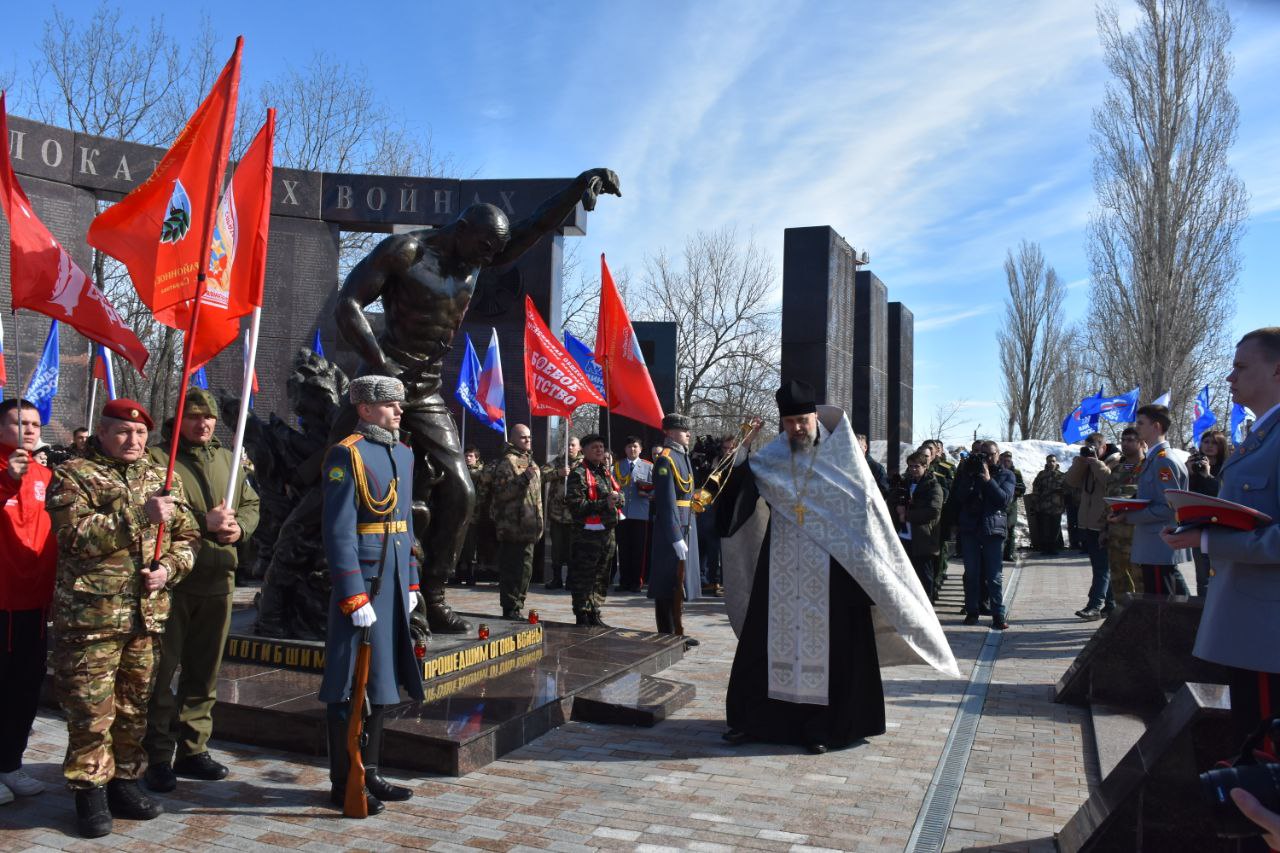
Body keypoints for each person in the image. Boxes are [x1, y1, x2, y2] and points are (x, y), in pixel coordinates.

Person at [331, 170, 620, 635]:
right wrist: (380, 365)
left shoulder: (481, 254)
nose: (491, 259)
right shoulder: (408, 251)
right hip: (385, 381)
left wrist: (578, 190)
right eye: (485, 247)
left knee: (462, 491)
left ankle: (435, 595)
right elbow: (347, 304)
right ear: (462, 229)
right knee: (330, 476)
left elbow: (536, 226)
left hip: (425, 391)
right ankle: (317, 578)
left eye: (495, 250)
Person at [716, 380, 957, 753]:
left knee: (834, 649)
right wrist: (743, 454)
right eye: (790, 422)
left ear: (815, 417)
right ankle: (757, 720)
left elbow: (866, 513)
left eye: (803, 420)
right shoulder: (774, 457)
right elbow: (738, 496)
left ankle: (824, 727)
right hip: (781, 568)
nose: (797, 428)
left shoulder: (843, 459)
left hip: (834, 571)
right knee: (765, 643)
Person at [46, 399, 200, 839]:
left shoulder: (160, 476)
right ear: (102, 432)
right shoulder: (74, 474)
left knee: (134, 707)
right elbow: (73, 538)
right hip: (91, 619)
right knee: (91, 711)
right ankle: (89, 791)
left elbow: (187, 537)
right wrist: (140, 515)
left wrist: (169, 568)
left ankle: (124, 783)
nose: (132, 441)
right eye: (121, 433)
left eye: (139, 434)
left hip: (145, 617)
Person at [1164, 328, 1280, 753]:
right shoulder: (1261, 436)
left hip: (1269, 635)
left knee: (1265, 761)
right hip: (1250, 626)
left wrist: (1209, 541)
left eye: (1241, 367)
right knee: (1249, 748)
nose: (1230, 378)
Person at [142, 389, 260, 792]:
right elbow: (158, 506)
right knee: (161, 674)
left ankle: (193, 749)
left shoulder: (228, 461)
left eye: (208, 418)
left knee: (204, 673)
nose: (203, 424)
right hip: (174, 583)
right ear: (178, 420)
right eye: (193, 417)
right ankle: (157, 755)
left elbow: (251, 503)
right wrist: (202, 520)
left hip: (219, 579)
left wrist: (239, 527)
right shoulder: (159, 460)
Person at [319, 376, 423, 816]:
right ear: (364, 409)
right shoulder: (348, 454)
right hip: (364, 584)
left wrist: (413, 580)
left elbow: (405, 526)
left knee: (380, 683)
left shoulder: (403, 453)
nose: (398, 410)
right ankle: (344, 780)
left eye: (399, 404)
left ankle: (372, 769)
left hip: (395, 579)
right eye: (388, 404)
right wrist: (352, 593)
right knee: (348, 685)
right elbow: (338, 529)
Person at [0, 399, 57, 804]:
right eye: (19, 422)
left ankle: (10, 765)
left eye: (35, 423)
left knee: (24, 689)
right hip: (0, 601)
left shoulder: (47, 475)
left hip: (35, 606)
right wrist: (6, 479)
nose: (30, 429)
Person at [1107, 404, 1190, 595]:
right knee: (1162, 604)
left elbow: (1168, 508)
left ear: (1157, 427)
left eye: (1141, 423)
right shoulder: (1154, 459)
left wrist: (1128, 517)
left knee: (1163, 608)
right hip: (1153, 545)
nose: (1137, 428)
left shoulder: (1163, 461)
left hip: (1159, 545)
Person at [648, 413, 702, 645]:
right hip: (672, 527)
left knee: (679, 583)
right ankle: (666, 633)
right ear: (669, 432)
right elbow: (666, 501)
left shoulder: (682, 456)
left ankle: (677, 631)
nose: (688, 433)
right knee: (666, 581)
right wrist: (675, 536)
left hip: (686, 521)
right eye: (682, 430)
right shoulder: (665, 459)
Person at [953, 440, 1016, 629]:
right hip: (971, 529)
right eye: (984, 454)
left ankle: (999, 614)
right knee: (972, 573)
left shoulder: (1007, 475)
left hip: (993, 530)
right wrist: (971, 477)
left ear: (998, 454)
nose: (988, 458)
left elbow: (1003, 500)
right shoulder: (969, 472)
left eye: (991, 454)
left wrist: (988, 481)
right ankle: (972, 612)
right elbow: (959, 497)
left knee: (994, 575)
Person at [563, 434, 623, 627]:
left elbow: (617, 494)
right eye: (595, 447)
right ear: (584, 450)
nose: (599, 450)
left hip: (607, 533)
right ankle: (582, 613)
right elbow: (575, 505)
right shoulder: (578, 473)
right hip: (587, 535)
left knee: (602, 575)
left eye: (601, 447)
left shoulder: (605, 472)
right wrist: (603, 503)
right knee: (584, 575)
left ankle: (595, 611)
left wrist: (617, 499)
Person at [489, 424, 544, 620]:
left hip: (529, 526)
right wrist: (522, 480)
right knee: (513, 569)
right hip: (513, 527)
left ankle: (518, 604)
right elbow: (501, 494)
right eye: (523, 438)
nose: (528, 440)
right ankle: (510, 607)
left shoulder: (529, 461)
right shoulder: (508, 462)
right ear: (512, 439)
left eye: (529, 437)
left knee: (525, 570)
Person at [1065, 433, 1114, 620]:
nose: (1091, 449)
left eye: (1094, 446)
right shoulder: (1086, 463)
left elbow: (1110, 483)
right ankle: (1110, 605)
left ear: (1104, 447)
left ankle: (1095, 606)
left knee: (1102, 568)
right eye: (1088, 446)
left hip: (1104, 523)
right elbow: (1070, 481)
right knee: (1101, 567)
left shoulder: (1116, 461)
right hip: (1089, 523)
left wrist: (1096, 463)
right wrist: (1081, 462)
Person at [1101, 427, 1146, 601]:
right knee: (1119, 581)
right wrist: (1104, 529)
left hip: (1137, 535)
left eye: (1130, 440)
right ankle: (1121, 618)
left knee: (1141, 582)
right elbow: (1107, 502)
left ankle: (1142, 620)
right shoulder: (1118, 469)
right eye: (1123, 440)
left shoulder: (1148, 468)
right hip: (1116, 536)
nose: (1125, 444)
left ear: (1141, 443)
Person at [892, 450, 944, 599]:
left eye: (916, 466)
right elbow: (892, 503)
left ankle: (928, 607)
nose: (913, 470)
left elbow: (933, 511)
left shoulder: (933, 486)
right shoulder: (905, 483)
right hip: (904, 536)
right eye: (910, 466)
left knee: (924, 577)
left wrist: (907, 515)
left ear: (925, 466)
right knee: (905, 576)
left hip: (923, 539)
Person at [1187, 428, 1229, 596]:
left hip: (1221, 528)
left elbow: (1221, 495)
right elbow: (1183, 495)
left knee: (1221, 576)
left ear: (1221, 447)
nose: (1209, 446)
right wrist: (1189, 474)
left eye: (1214, 443)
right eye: (1206, 442)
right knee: (1203, 578)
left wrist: (1207, 475)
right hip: (1198, 527)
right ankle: (1202, 617)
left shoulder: (1227, 468)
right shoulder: (1193, 466)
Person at [613, 436, 653, 593]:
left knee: (639, 550)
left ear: (641, 449)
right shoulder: (618, 466)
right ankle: (624, 581)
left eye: (635, 446)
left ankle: (637, 581)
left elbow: (656, 488)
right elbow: (613, 485)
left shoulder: (648, 467)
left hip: (640, 514)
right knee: (623, 549)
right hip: (622, 513)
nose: (632, 449)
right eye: (629, 447)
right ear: (625, 449)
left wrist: (649, 495)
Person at [542, 435, 581, 590]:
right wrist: (558, 473)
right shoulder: (558, 461)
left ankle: (571, 579)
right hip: (557, 514)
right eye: (568, 445)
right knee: (556, 548)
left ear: (579, 447)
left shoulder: (583, 464)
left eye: (573, 445)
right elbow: (541, 474)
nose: (570, 448)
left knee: (573, 549)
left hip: (574, 515)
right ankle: (556, 578)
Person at [454, 446, 485, 586]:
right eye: (465, 455)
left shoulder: (480, 471)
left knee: (471, 547)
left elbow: (478, 475)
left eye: (470, 456)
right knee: (458, 544)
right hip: (459, 513)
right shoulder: (462, 469)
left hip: (473, 514)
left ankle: (471, 575)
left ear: (476, 458)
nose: (467, 458)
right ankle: (459, 574)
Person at [1030, 456, 1066, 555]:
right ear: (1046, 462)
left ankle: (1054, 547)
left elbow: (1067, 490)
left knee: (1055, 528)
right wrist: (1035, 502)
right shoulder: (1041, 475)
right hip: (1044, 506)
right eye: (1049, 461)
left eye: (1053, 461)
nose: (1051, 463)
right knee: (1045, 528)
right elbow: (1036, 488)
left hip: (1057, 507)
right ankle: (1045, 548)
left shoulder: (1061, 475)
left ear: (1056, 462)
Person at [999, 451, 1026, 562]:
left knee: (1010, 529)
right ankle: (999, 554)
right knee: (1000, 531)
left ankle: (1009, 553)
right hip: (1000, 504)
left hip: (1011, 505)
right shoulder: (998, 471)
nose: (1006, 462)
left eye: (1008, 460)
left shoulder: (1016, 472)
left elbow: (1022, 488)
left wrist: (1013, 491)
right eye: (1004, 460)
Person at [857, 433, 889, 498]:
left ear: (865, 447)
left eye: (858, 447)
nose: (855, 449)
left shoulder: (876, 468)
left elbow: (884, 490)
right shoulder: (846, 465)